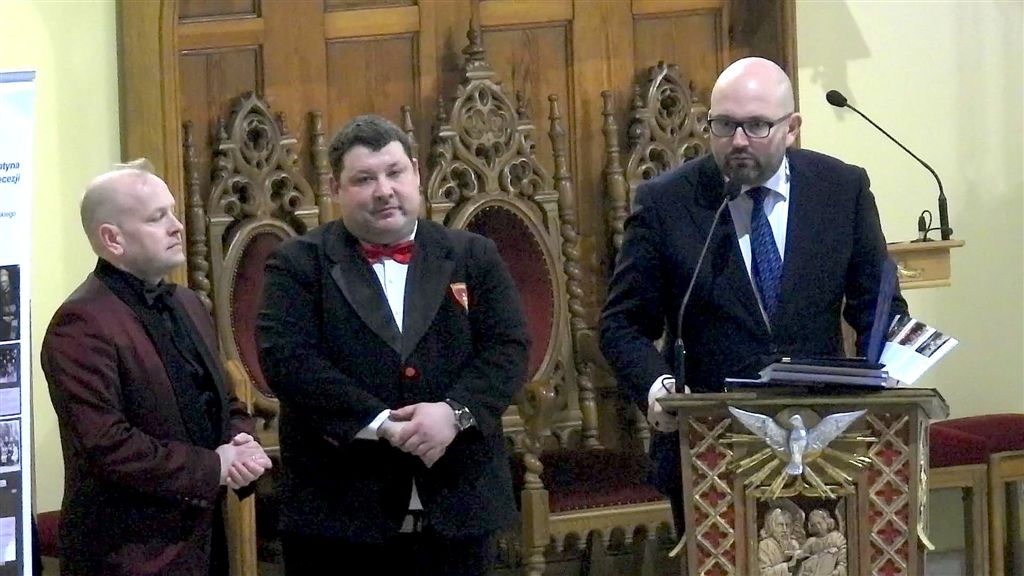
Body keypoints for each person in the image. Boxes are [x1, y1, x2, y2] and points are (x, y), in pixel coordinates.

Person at [600, 57, 908, 530]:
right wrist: (658, 387)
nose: (738, 141)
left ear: (792, 128)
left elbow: (880, 309)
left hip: (827, 442)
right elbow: (622, 325)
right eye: (725, 125)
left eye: (757, 125)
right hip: (709, 446)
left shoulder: (841, 190)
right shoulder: (667, 203)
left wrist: (891, 376)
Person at [257, 115, 529, 575]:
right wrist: (380, 423)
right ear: (335, 188)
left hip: (459, 505)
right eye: (364, 179)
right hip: (340, 511)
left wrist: (455, 412)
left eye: (394, 172)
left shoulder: (473, 255)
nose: (384, 190)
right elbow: (287, 361)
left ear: (416, 173)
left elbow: (508, 348)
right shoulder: (297, 264)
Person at [41, 161, 272, 576]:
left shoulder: (188, 302)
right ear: (112, 239)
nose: (177, 226)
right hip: (129, 554)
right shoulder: (79, 324)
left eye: (173, 212)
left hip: (203, 539)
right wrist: (215, 467)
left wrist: (243, 442)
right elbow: (108, 445)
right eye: (157, 217)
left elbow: (224, 399)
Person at [797, 509, 847, 576]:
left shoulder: (836, 537)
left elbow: (843, 559)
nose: (818, 527)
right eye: (814, 525)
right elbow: (801, 557)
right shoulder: (811, 542)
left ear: (827, 522)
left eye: (819, 523)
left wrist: (837, 572)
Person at [759, 508, 803, 575]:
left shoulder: (793, 545)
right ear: (772, 527)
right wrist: (788, 566)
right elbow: (764, 573)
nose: (785, 530)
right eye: (780, 525)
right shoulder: (765, 545)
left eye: (787, 525)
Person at [0, 267, 17, 340]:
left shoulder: (15, 294)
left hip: (15, 322)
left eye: (4, 282)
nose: (2, 284)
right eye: (1, 283)